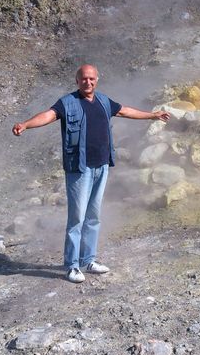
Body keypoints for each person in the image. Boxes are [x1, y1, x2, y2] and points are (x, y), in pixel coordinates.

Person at [12, 64, 170, 283]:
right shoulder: (67, 103)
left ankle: (88, 260)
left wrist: (152, 115)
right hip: (80, 168)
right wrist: (26, 125)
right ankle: (72, 265)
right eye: (84, 79)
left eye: (92, 79)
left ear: (97, 80)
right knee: (76, 218)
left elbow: (125, 110)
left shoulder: (104, 101)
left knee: (93, 216)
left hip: (102, 166)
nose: (88, 82)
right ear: (77, 81)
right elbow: (48, 116)